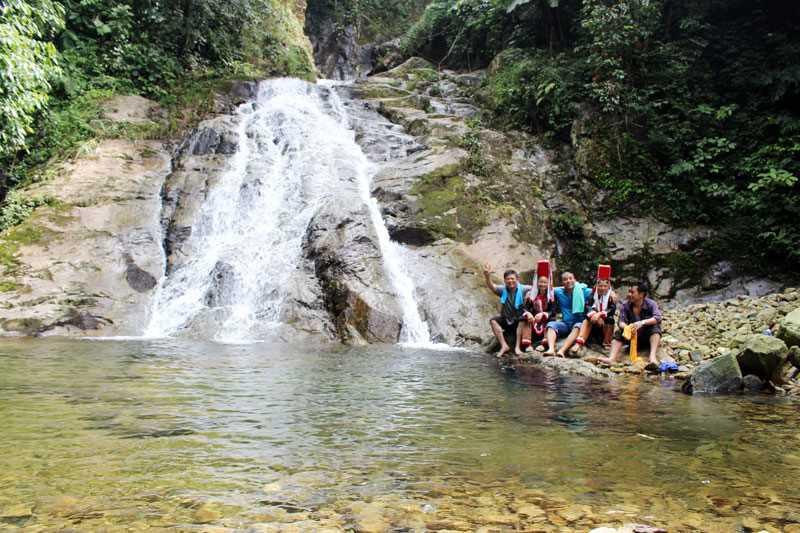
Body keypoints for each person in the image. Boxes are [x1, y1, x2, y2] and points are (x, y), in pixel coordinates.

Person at [598, 281, 663, 367]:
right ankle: (611, 358)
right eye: (629, 291)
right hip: (631, 337)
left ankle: (652, 357)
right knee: (619, 332)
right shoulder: (625, 305)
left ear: (641, 294)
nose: (629, 294)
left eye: (632, 292)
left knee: (655, 328)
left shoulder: (651, 304)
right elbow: (620, 322)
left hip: (646, 337)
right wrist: (628, 327)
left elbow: (657, 317)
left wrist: (642, 323)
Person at [483, 264, 531, 357]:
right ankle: (504, 346)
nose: (510, 281)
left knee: (522, 319)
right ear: (505, 280)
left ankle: (517, 347)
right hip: (507, 319)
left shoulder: (524, 288)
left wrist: (530, 293)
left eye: (512, 279)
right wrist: (487, 276)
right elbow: (492, 286)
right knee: (493, 320)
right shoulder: (503, 289)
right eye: (508, 279)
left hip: (519, 321)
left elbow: (539, 288)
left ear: (517, 279)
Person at [542, 272, 592, 357]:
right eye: (565, 279)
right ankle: (551, 349)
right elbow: (544, 287)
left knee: (578, 326)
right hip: (565, 323)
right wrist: (529, 293)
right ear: (562, 283)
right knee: (551, 324)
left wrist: (611, 293)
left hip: (578, 323)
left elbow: (598, 290)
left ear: (575, 280)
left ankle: (562, 350)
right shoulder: (559, 292)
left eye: (570, 278)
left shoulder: (584, 291)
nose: (568, 281)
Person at [570, 266, 617, 356]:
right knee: (586, 319)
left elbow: (611, 310)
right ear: (597, 285)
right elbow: (587, 307)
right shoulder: (592, 295)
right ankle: (579, 342)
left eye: (605, 286)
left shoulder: (611, 297)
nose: (602, 288)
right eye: (600, 285)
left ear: (608, 287)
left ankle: (607, 343)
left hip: (604, 325)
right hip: (594, 324)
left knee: (610, 319)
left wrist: (599, 314)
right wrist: (594, 315)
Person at [517, 275, 557, 355]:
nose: (542, 284)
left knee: (551, 322)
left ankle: (544, 344)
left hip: (545, 319)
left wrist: (543, 314)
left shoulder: (551, 296)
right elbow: (525, 308)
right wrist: (528, 314)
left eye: (545, 282)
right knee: (524, 319)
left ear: (548, 284)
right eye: (540, 282)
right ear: (537, 283)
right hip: (534, 318)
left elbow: (553, 311)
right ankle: (527, 344)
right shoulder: (531, 295)